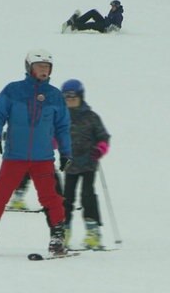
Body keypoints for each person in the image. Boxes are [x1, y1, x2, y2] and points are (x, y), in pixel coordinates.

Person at [0, 49, 72, 256]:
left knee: (51, 198)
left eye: (47, 67)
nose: (44, 70)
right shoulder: (13, 90)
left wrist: (66, 153)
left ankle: (57, 237)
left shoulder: (54, 96)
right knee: (0, 196)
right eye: (40, 66)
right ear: (29, 68)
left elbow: (63, 127)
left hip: (43, 158)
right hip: (15, 157)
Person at [59, 79, 111, 250]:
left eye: (74, 96)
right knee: (67, 198)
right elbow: (53, 136)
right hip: (70, 164)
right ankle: (63, 232)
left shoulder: (91, 117)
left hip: (88, 163)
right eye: (67, 97)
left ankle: (93, 233)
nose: (70, 99)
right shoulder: (61, 117)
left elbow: (103, 136)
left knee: (88, 195)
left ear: (81, 96)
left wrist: (100, 148)